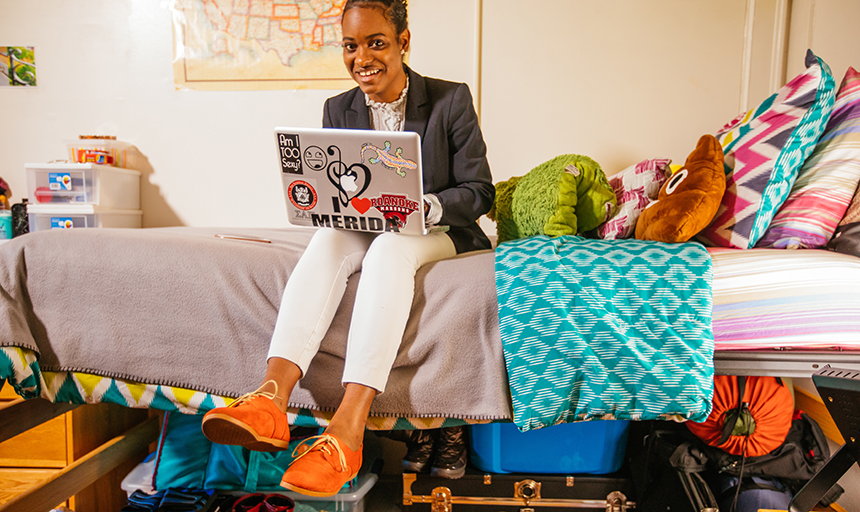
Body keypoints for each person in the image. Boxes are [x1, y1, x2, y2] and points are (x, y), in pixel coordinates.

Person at [201, 0, 494, 498]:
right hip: (366, 225)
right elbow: (336, 188)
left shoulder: (450, 100)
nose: (362, 57)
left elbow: (479, 192)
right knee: (328, 240)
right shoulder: (338, 108)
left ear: (403, 41)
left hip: (433, 230)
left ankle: (348, 428)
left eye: (376, 42)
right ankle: (271, 398)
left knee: (388, 253)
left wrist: (423, 206)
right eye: (350, 45)